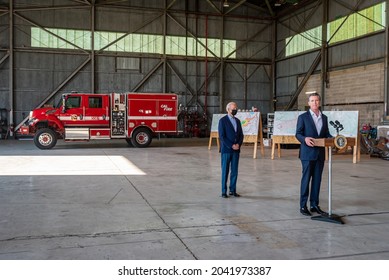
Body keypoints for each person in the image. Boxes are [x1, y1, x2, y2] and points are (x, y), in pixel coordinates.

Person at [295, 92, 332, 216]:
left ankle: (314, 204)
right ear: (308, 103)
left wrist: (334, 139)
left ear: (319, 102)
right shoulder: (303, 117)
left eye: (316, 100)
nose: (314, 103)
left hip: (320, 154)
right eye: (312, 101)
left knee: (317, 180)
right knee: (306, 179)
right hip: (307, 154)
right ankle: (303, 205)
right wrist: (304, 139)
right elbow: (298, 134)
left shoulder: (324, 118)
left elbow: (326, 134)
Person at [218, 102, 244, 198]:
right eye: (233, 108)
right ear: (228, 110)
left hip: (236, 150)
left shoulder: (237, 121)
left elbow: (241, 135)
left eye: (236, 108)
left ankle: (232, 190)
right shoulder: (222, 121)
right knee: (225, 171)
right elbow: (222, 136)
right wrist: (231, 145)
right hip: (226, 150)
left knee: (234, 171)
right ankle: (224, 191)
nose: (235, 110)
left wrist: (238, 144)